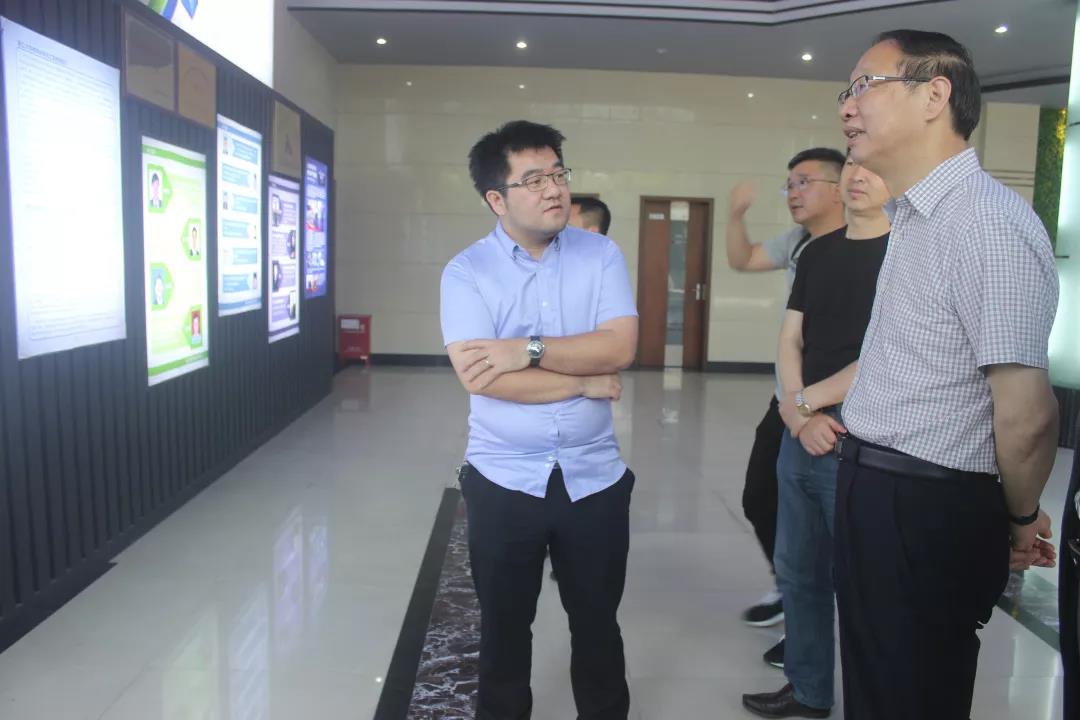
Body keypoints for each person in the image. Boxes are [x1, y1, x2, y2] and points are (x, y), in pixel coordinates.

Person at [835, 29, 1059, 719]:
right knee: (878, 689)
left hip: (924, 506)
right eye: (846, 91)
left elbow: (1026, 414)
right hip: (878, 489)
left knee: (912, 694)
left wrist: (1020, 517)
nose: (847, 106)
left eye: (864, 85)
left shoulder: (985, 222)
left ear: (935, 95)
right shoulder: (916, 215)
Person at [440, 120, 638, 720]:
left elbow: (619, 347)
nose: (554, 189)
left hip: (594, 478)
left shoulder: (600, 254)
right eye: (533, 180)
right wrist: (580, 380)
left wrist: (524, 349)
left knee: (598, 624)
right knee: (503, 631)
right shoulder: (466, 272)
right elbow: (482, 377)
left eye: (558, 173)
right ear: (496, 199)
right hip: (503, 480)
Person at [742, 154, 891, 718]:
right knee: (799, 571)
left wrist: (806, 404)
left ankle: (878, 700)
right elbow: (791, 338)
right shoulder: (819, 253)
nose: (857, 175)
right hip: (802, 428)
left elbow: (886, 353)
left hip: (862, 433)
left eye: (871, 167)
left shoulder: (906, 255)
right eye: (850, 164)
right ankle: (807, 690)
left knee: (867, 582)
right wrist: (798, 414)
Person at [726, 148, 847, 668]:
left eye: (804, 182)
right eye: (789, 184)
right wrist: (735, 216)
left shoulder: (866, 243)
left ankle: (808, 625)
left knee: (823, 523)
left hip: (838, 403)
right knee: (761, 498)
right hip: (790, 399)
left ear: (841, 187)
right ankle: (790, 590)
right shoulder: (799, 242)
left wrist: (813, 404)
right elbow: (744, 259)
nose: (793, 192)